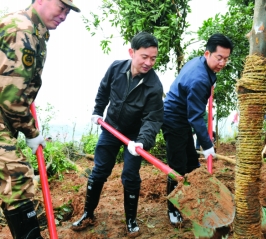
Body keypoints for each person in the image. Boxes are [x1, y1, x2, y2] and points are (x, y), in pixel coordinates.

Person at [71, 32, 163, 237]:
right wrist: (97, 111)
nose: (149, 62)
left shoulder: (154, 86)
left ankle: (131, 220)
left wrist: (141, 141)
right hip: (111, 128)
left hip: (135, 137)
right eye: (144, 57)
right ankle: (88, 213)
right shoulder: (115, 68)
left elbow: (153, 118)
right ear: (132, 52)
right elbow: (103, 90)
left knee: (130, 176)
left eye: (153, 58)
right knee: (100, 170)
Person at [0, 0, 80, 238]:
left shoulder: (34, 31)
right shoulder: (23, 31)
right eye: (61, 7)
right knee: (17, 179)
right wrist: (31, 132)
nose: (64, 15)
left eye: (68, 11)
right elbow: (11, 97)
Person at [162, 33, 233, 226]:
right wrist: (207, 144)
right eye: (219, 58)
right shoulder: (200, 79)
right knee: (177, 166)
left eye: (226, 59)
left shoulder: (200, 64)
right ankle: (173, 210)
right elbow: (195, 116)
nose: (223, 63)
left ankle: (200, 201)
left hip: (182, 118)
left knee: (193, 165)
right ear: (207, 53)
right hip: (173, 119)